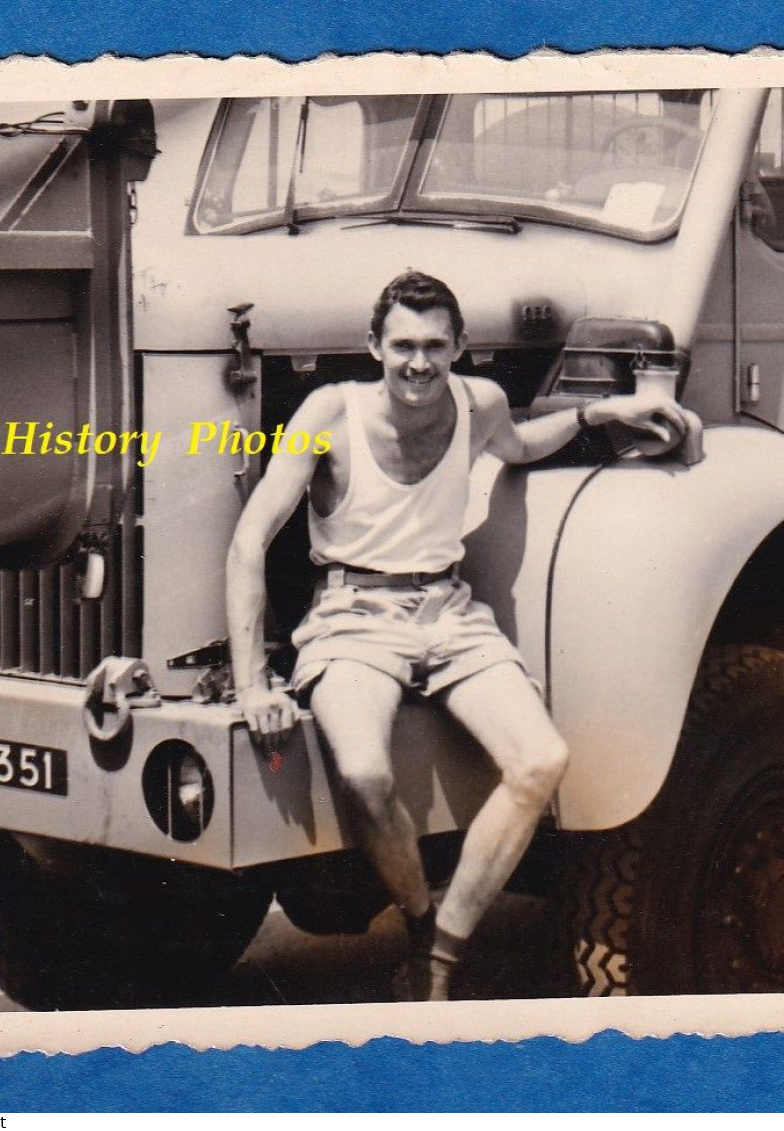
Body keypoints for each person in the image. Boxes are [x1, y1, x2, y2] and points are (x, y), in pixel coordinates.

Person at [226, 271, 687, 1001]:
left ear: (460, 347)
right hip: (353, 617)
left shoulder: (479, 402)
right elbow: (251, 540)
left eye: (435, 345)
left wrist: (604, 413)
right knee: (366, 775)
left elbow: (520, 443)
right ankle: (417, 919)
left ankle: (438, 958)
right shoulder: (329, 413)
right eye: (402, 345)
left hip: (448, 612)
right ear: (372, 346)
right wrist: (252, 681)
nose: (418, 363)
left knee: (541, 760)